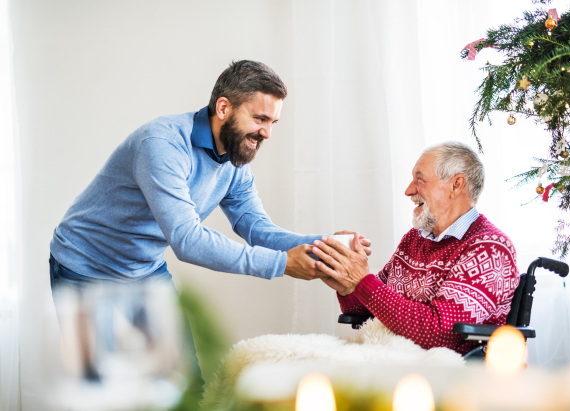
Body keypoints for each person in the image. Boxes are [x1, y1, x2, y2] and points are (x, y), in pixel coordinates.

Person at [49, 60, 371, 396]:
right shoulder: (161, 143)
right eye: (260, 119)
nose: (267, 133)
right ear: (223, 108)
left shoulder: (234, 160)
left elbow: (256, 228)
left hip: (143, 268)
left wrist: (327, 245)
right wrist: (282, 264)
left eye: (273, 122)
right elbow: (187, 240)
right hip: (83, 266)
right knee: (101, 389)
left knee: (183, 384)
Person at [312, 141, 519, 354]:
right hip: (394, 357)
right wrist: (347, 284)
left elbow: (439, 333)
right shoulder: (415, 239)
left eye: (419, 179)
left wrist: (361, 280)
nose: (408, 190)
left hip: (453, 370)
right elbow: (366, 311)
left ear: (456, 185)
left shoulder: (490, 249)